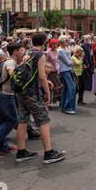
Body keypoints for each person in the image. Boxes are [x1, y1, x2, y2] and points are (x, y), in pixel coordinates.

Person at [15, 32, 66, 164]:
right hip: (32, 92)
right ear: (44, 42)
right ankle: (48, 153)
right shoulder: (40, 55)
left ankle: (21, 151)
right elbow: (42, 76)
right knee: (43, 120)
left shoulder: (28, 53)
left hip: (22, 91)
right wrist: (48, 93)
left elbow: (29, 72)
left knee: (23, 120)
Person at [0, 43, 24, 156]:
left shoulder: (7, 61)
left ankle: (3, 146)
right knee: (13, 120)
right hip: (6, 96)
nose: (23, 52)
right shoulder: (11, 62)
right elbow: (13, 75)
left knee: (2, 121)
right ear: (15, 52)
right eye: (21, 50)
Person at [57, 35, 76, 114]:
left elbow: (70, 61)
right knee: (72, 88)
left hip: (66, 70)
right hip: (65, 71)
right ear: (61, 42)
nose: (68, 42)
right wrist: (71, 62)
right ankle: (68, 107)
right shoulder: (61, 51)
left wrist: (71, 62)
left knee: (66, 89)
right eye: (66, 40)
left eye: (68, 40)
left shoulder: (64, 49)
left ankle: (64, 107)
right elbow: (69, 62)